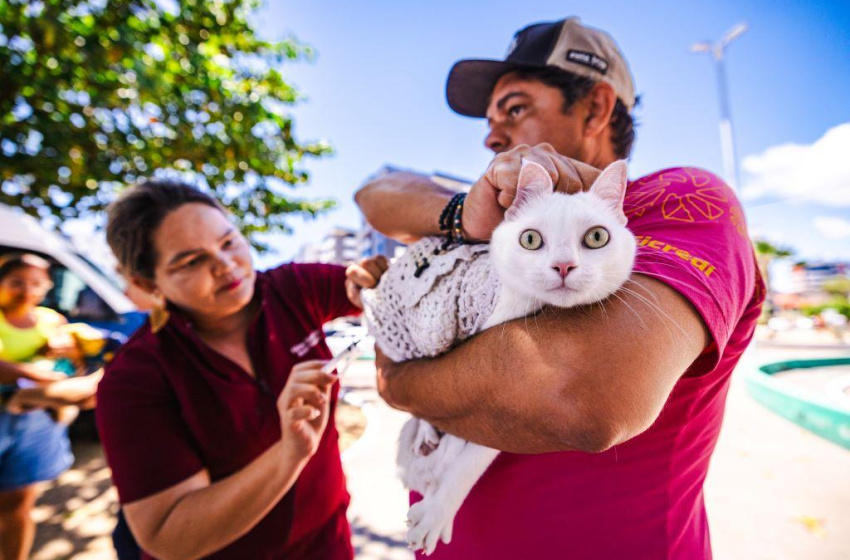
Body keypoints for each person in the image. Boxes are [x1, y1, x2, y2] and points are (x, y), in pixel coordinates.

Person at [356, 17, 764, 559]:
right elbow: (376, 192)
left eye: (516, 108)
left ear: (595, 108)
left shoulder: (681, 201)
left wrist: (398, 379)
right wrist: (461, 216)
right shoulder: (504, 222)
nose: (491, 134)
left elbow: (580, 395)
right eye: (489, 117)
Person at [95, 180, 386, 559]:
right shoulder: (135, 377)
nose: (226, 265)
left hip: (326, 542)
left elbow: (363, 285)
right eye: (192, 261)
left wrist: (372, 280)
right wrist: (289, 453)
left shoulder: (291, 289)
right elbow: (167, 534)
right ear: (146, 282)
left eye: (229, 241)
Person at [0, 253, 76, 560]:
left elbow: (72, 360)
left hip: (35, 421)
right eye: (17, 282)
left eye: (36, 283)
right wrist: (36, 374)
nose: (27, 290)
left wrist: (68, 351)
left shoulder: (51, 319)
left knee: (18, 501)